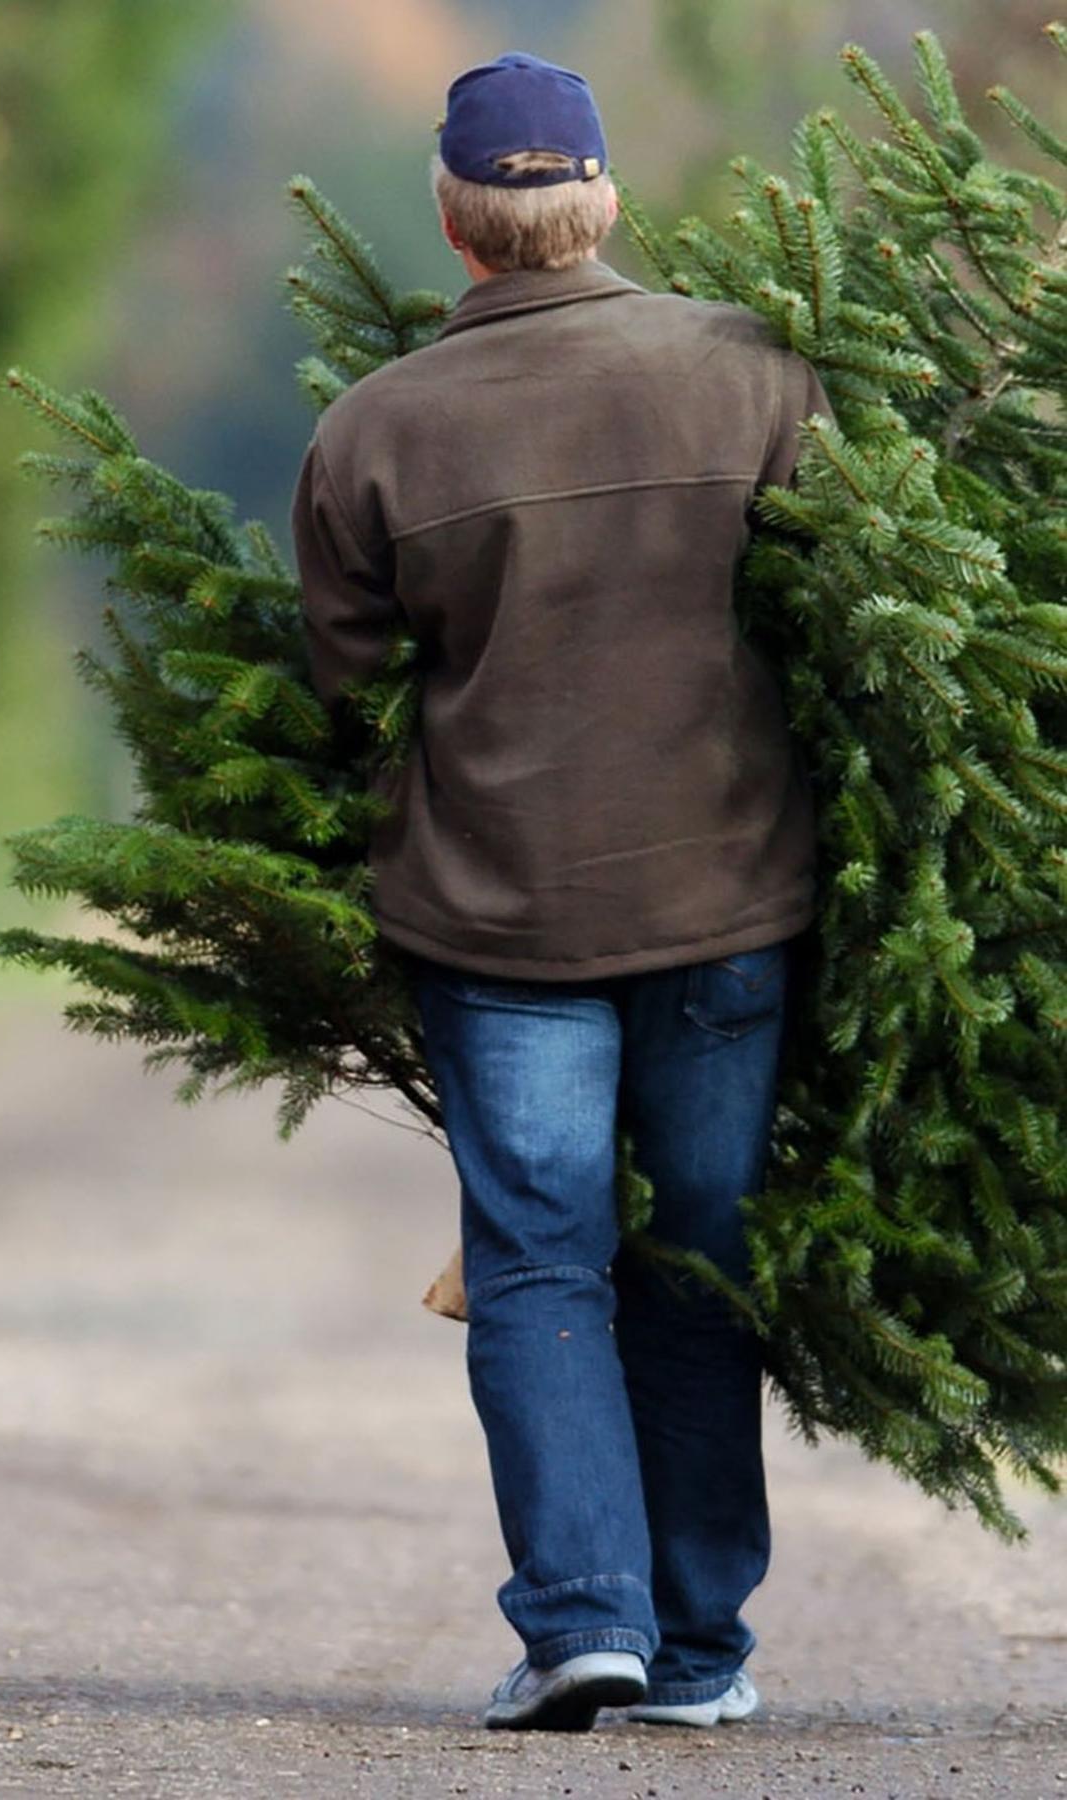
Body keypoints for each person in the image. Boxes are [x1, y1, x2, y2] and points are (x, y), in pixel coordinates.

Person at [292, 52, 829, 1732]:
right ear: (603, 204)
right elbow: (839, 617)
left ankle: (580, 1617)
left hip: (497, 915)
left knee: (539, 1264)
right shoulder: (754, 376)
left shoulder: (377, 429)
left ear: (455, 222)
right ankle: (698, 1653)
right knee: (700, 1259)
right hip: (729, 900)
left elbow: (341, 678)